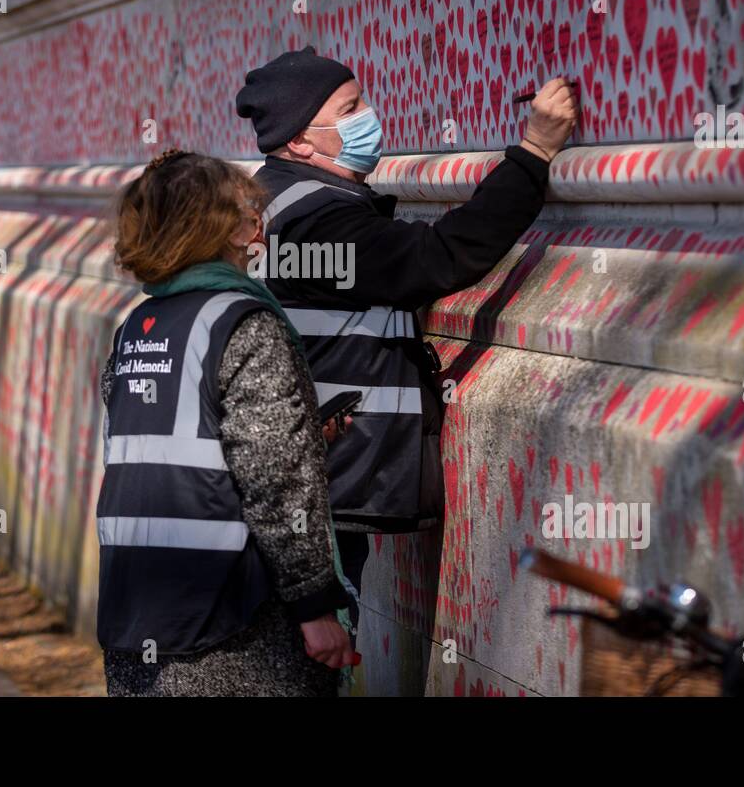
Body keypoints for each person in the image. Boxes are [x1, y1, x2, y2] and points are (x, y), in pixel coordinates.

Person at [235, 46, 579, 606]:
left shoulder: (273, 199)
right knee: (312, 650)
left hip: (306, 474)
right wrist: (535, 151)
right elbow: (439, 256)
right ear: (300, 141)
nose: (368, 114)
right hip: (324, 485)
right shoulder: (315, 221)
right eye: (349, 109)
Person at [96, 148, 358, 696]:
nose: (258, 224)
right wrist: (315, 604)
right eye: (250, 211)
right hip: (235, 628)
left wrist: (306, 435)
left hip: (137, 616)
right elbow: (274, 482)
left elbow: (186, 451)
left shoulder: (135, 329)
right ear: (231, 231)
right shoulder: (243, 323)